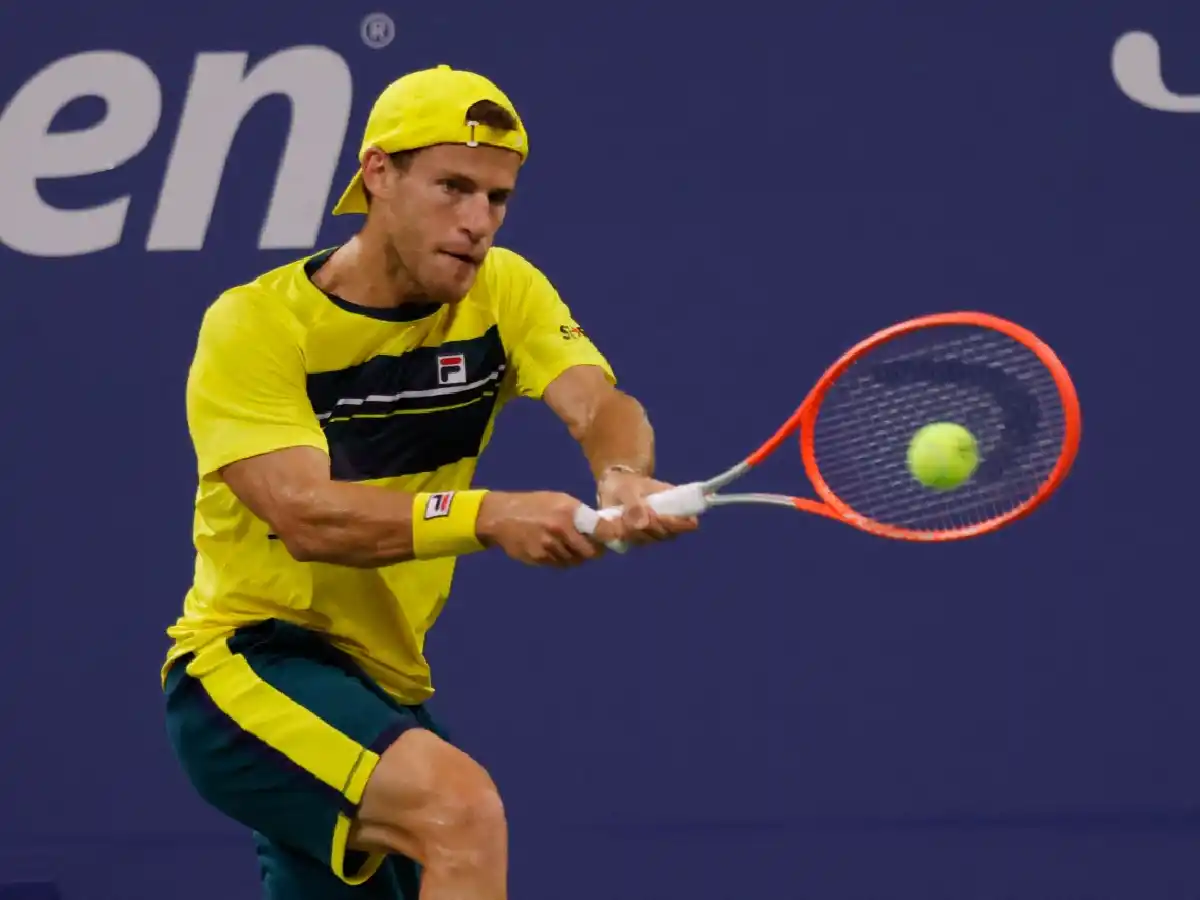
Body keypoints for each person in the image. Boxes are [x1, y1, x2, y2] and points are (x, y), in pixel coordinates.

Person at [161, 63, 697, 900]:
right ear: (379, 173)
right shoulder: (256, 324)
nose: (478, 221)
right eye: (453, 187)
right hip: (250, 664)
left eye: (497, 198)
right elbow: (305, 515)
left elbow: (598, 403)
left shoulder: (504, 291)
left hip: (383, 685)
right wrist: (488, 516)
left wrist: (623, 474)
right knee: (459, 811)